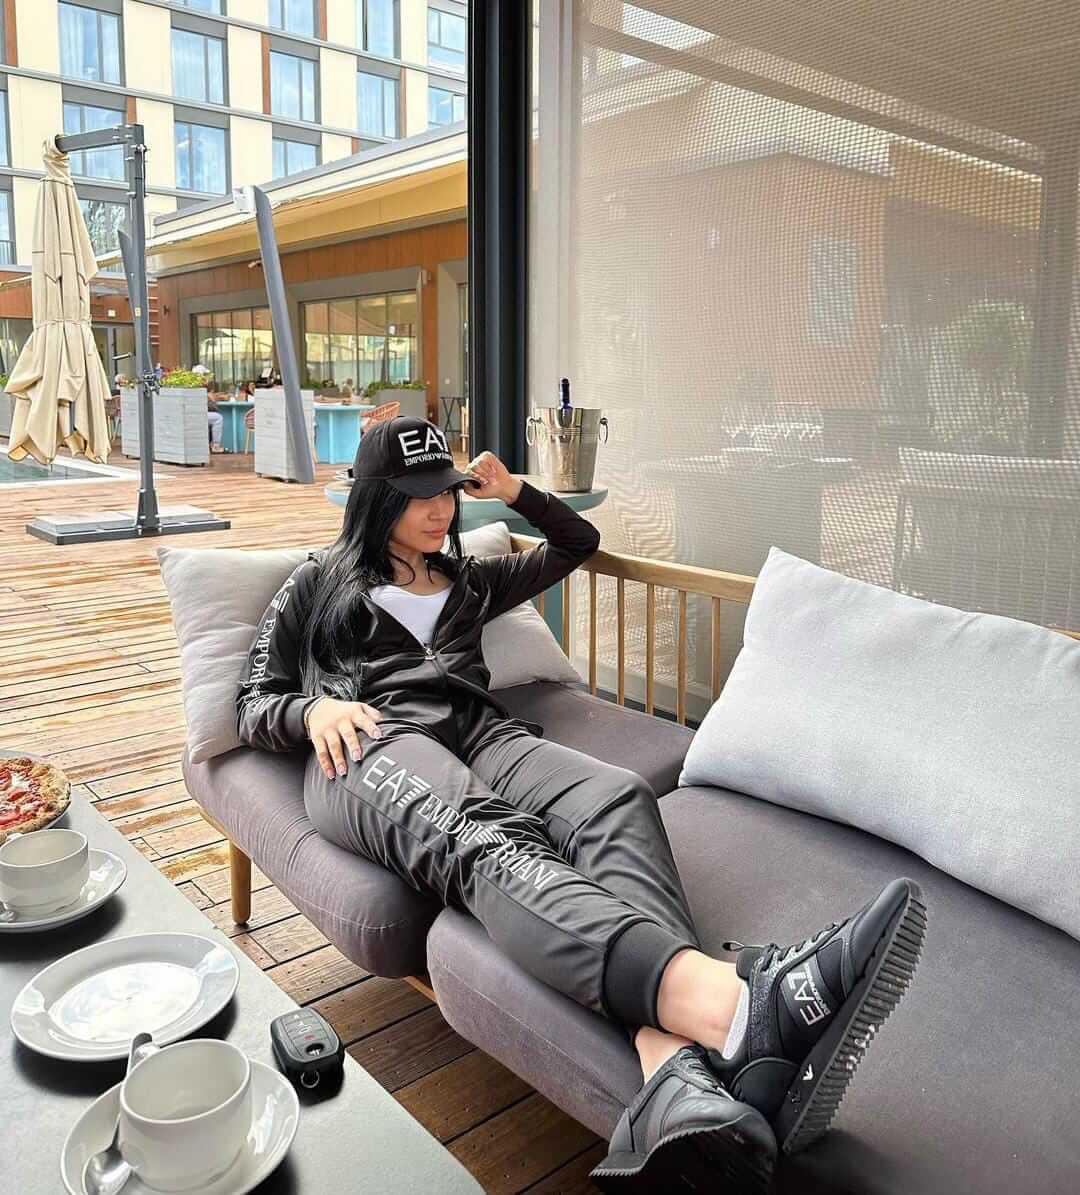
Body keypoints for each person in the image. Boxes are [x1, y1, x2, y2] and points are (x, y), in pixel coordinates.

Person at [235, 415, 927, 1192]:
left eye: (448, 491)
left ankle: (671, 1073)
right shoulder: (318, 581)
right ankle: (739, 1008)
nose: (440, 508)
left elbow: (577, 543)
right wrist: (311, 709)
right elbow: (251, 702)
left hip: (480, 736)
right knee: (487, 838)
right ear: (374, 498)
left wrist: (515, 490)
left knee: (617, 795)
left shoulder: (468, 581)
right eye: (417, 495)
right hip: (367, 748)